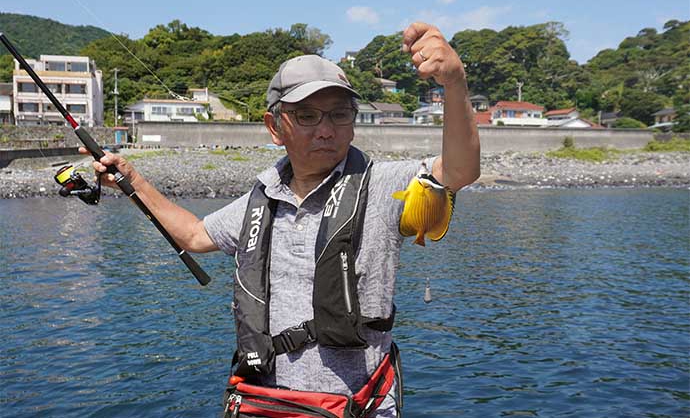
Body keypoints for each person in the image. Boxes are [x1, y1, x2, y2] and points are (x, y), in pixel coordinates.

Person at [87, 22, 479, 417]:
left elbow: (458, 172)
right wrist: (133, 180)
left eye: (340, 114)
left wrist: (455, 84)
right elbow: (193, 234)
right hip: (268, 402)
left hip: (356, 405)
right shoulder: (262, 200)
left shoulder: (380, 185)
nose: (326, 129)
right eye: (307, 116)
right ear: (275, 126)